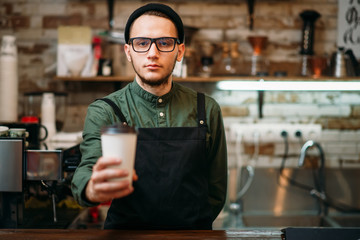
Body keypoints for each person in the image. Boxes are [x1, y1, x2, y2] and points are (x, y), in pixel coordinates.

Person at [71, 3, 227, 230]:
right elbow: (85, 172)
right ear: (128, 52)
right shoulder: (105, 110)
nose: (152, 53)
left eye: (164, 43)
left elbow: (216, 189)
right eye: (142, 43)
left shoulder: (207, 109)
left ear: (180, 51)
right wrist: (92, 189)